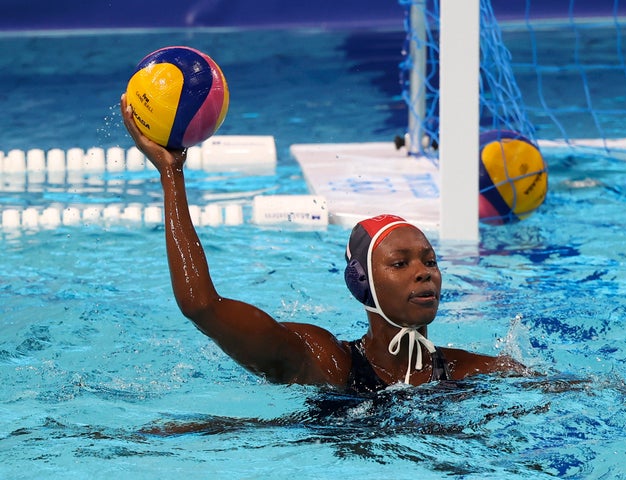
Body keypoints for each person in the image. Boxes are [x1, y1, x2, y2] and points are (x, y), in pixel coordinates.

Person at [120, 94, 526, 395]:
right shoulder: (326, 362)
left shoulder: (469, 370)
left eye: (429, 260)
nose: (424, 272)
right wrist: (171, 176)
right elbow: (201, 305)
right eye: (399, 264)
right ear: (363, 283)